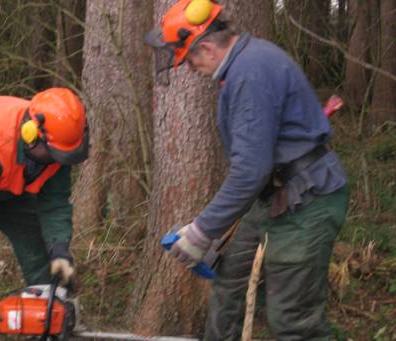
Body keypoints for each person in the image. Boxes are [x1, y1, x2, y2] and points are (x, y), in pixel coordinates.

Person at [145, 0, 348, 340]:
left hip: (306, 201)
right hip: (273, 196)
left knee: (292, 320)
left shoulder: (249, 72)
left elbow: (250, 169)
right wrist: (212, 228)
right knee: (230, 285)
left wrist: (202, 230)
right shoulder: (244, 65)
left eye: (190, 60)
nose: (191, 69)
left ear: (207, 48)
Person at [0, 87, 89, 340]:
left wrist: (59, 248)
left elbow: (55, 203)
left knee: (41, 251)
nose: (57, 161)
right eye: (53, 155)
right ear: (31, 134)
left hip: (8, 178)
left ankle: (50, 323)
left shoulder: (59, 147)